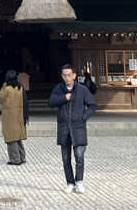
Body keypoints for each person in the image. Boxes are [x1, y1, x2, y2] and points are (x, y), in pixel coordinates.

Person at [49, 64, 96, 194]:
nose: (67, 77)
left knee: (79, 157)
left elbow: (92, 105)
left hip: (78, 128)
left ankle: (79, 181)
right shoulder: (58, 89)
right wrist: (64, 98)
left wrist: (83, 117)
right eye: (64, 75)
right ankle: (69, 182)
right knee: (65, 159)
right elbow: (51, 102)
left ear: (74, 75)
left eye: (69, 75)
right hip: (64, 128)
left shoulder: (82, 89)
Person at [0, 69, 28, 165]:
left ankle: (15, 159)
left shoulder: (7, 88)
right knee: (18, 138)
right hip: (19, 115)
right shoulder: (20, 87)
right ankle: (22, 157)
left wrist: (3, 86)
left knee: (11, 138)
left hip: (9, 116)